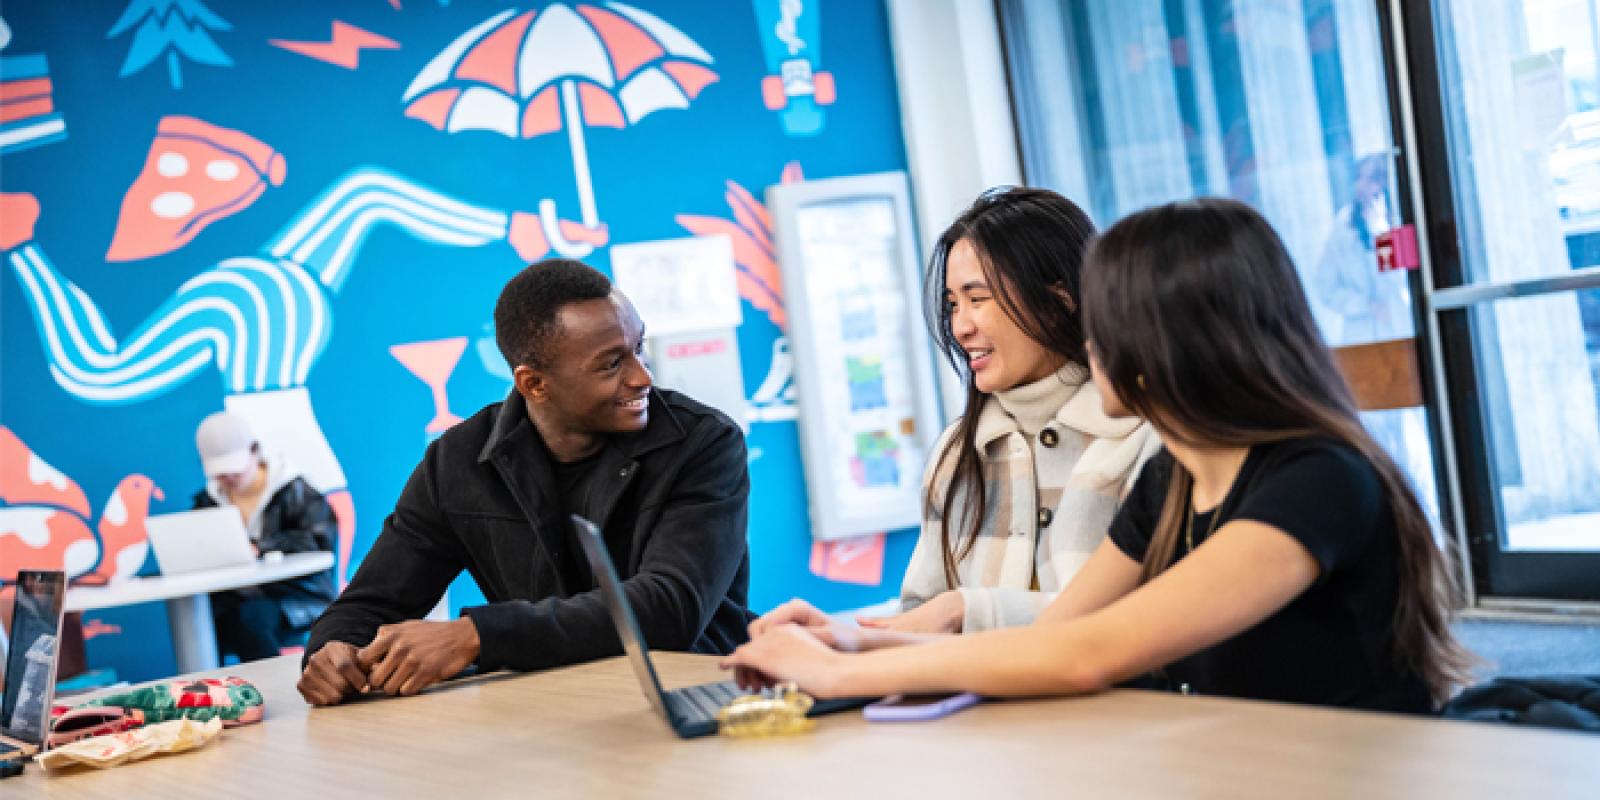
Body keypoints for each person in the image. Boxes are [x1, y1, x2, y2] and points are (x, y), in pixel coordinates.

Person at [725, 199, 1472, 713]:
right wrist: (850, 641)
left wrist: (836, 671)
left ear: (1172, 338)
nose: (1089, 341)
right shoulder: (1175, 478)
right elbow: (1051, 637)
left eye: (1104, 318)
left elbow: (1089, 652)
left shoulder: (1317, 481)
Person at [297, 259, 752, 705]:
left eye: (639, 347)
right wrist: (333, 653)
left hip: (697, 700)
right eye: (612, 364)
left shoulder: (702, 442)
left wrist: (477, 637)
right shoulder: (457, 462)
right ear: (533, 384)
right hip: (551, 714)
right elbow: (367, 606)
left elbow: (669, 608)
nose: (642, 377)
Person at [870, 188, 1158, 634]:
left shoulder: (1145, 436)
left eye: (977, 298)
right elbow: (919, 617)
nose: (960, 326)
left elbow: (1150, 617)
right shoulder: (957, 451)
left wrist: (969, 610)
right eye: (952, 305)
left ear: (1062, 298)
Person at [192, 413, 338, 663]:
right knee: (202, 621)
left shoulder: (296, 490)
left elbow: (320, 541)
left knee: (250, 620)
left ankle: (267, 689)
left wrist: (261, 547)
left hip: (296, 595)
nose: (229, 479)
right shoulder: (207, 500)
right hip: (236, 596)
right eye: (221, 474)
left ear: (254, 451)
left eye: (235, 471)